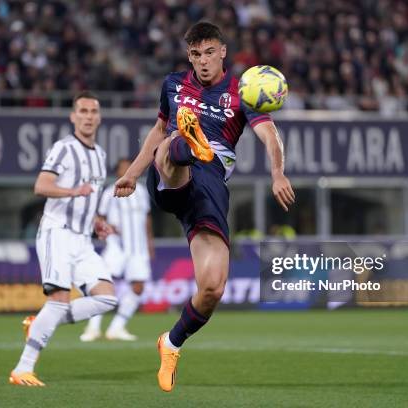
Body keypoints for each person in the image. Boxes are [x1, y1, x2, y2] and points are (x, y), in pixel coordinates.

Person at [113, 22, 295, 392]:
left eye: (209, 52)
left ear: (223, 52)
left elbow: (269, 134)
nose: (203, 61)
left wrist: (277, 172)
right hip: (174, 168)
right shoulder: (174, 84)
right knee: (171, 147)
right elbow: (156, 131)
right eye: (195, 54)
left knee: (212, 288)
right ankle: (189, 142)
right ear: (189, 56)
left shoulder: (242, 90)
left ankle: (172, 342)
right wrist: (132, 173)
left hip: (210, 184)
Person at [9, 91, 117, 386]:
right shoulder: (64, 148)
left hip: (82, 240)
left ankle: (41, 323)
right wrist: (73, 191)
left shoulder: (101, 156)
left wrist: (97, 222)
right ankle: (22, 368)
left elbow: (88, 198)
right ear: (73, 117)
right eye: (82, 111)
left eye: (93, 111)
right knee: (58, 301)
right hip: (57, 233)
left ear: (99, 117)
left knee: (107, 298)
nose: (88, 116)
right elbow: (41, 185)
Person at [80, 158, 155, 342]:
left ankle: (117, 327)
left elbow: (147, 219)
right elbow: (98, 218)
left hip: (138, 248)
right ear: (117, 172)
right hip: (116, 246)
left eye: (130, 167)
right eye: (123, 168)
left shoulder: (142, 191)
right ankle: (93, 327)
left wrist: (149, 244)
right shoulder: (109, 192)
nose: (127, 170)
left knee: (138, 287)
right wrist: (107, 229)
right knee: (104, 284)